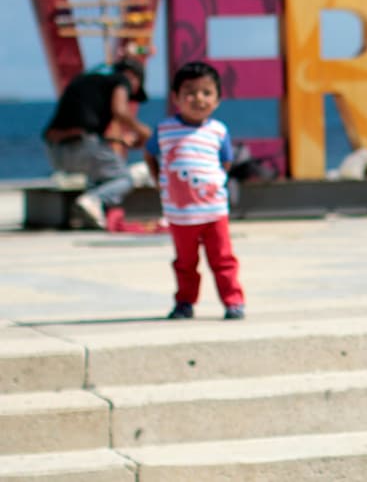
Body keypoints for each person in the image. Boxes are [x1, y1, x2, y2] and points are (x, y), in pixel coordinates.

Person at [144, 61, 246, 321]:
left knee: (223, 259)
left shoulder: (218, 131)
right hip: (179, 214)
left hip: (214, 211)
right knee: (185, 263)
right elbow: (150, 153)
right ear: (176, 98)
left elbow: (225, 161)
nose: (198, 98)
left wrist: (214, 183)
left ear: (217, 99)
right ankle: (185, 302)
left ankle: (233, 301)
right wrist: (159, 180)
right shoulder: (165, 129)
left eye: (206, 93)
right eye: (190, 93)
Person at [43, 57, 152, 229]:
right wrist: (144, 132)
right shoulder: (122, 79)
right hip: (82, 147)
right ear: (134, 77)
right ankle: (93, 200)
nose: (130, 96)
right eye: (132, 94)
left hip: (55, 152)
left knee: (102, 176)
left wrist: (118, 140)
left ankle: (90, 213)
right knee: (124, 178)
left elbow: (82, 125)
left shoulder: (87, 79)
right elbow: (119, 110)